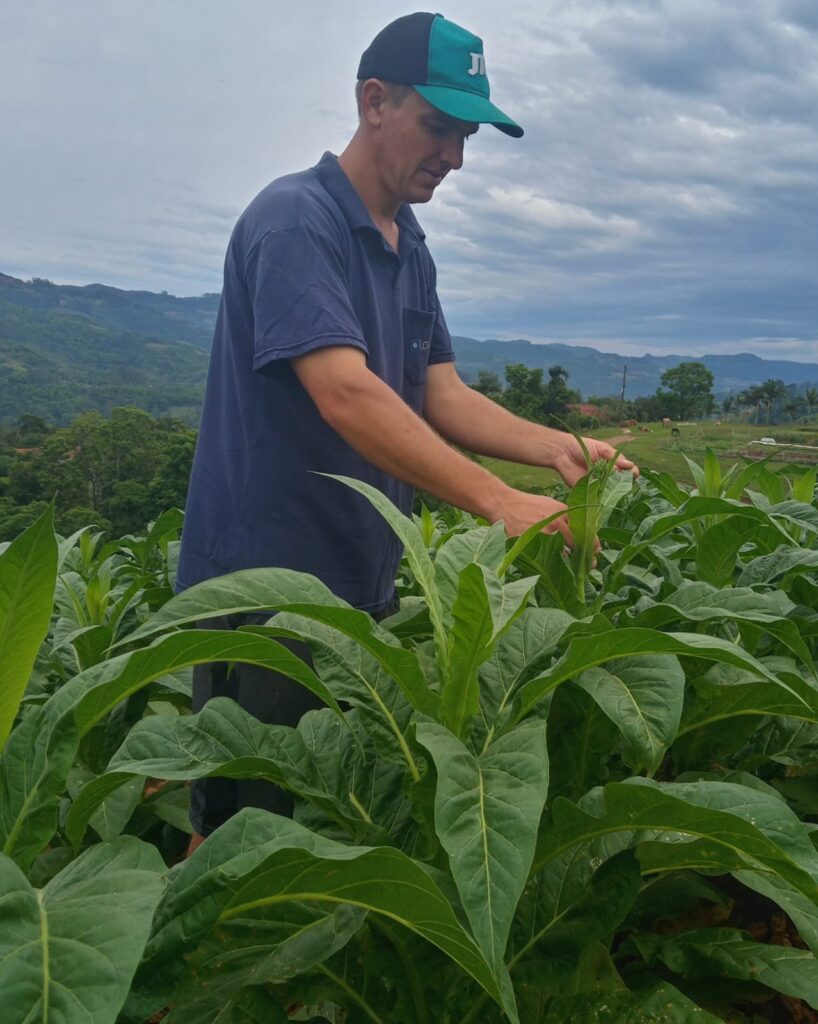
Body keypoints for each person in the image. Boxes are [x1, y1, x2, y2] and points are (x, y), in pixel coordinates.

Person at [177, 11, 637, 842]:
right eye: (438, 126)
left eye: (465, 135)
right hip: (267, 591)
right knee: (245, 828)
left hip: (361, 589)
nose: (455, 156)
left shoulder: (410, 247)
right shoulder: (295, 219)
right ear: (373, 100)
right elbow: (345, 393)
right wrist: (501, 502)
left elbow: (439, 394)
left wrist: (560, 450)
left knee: (331, 823)